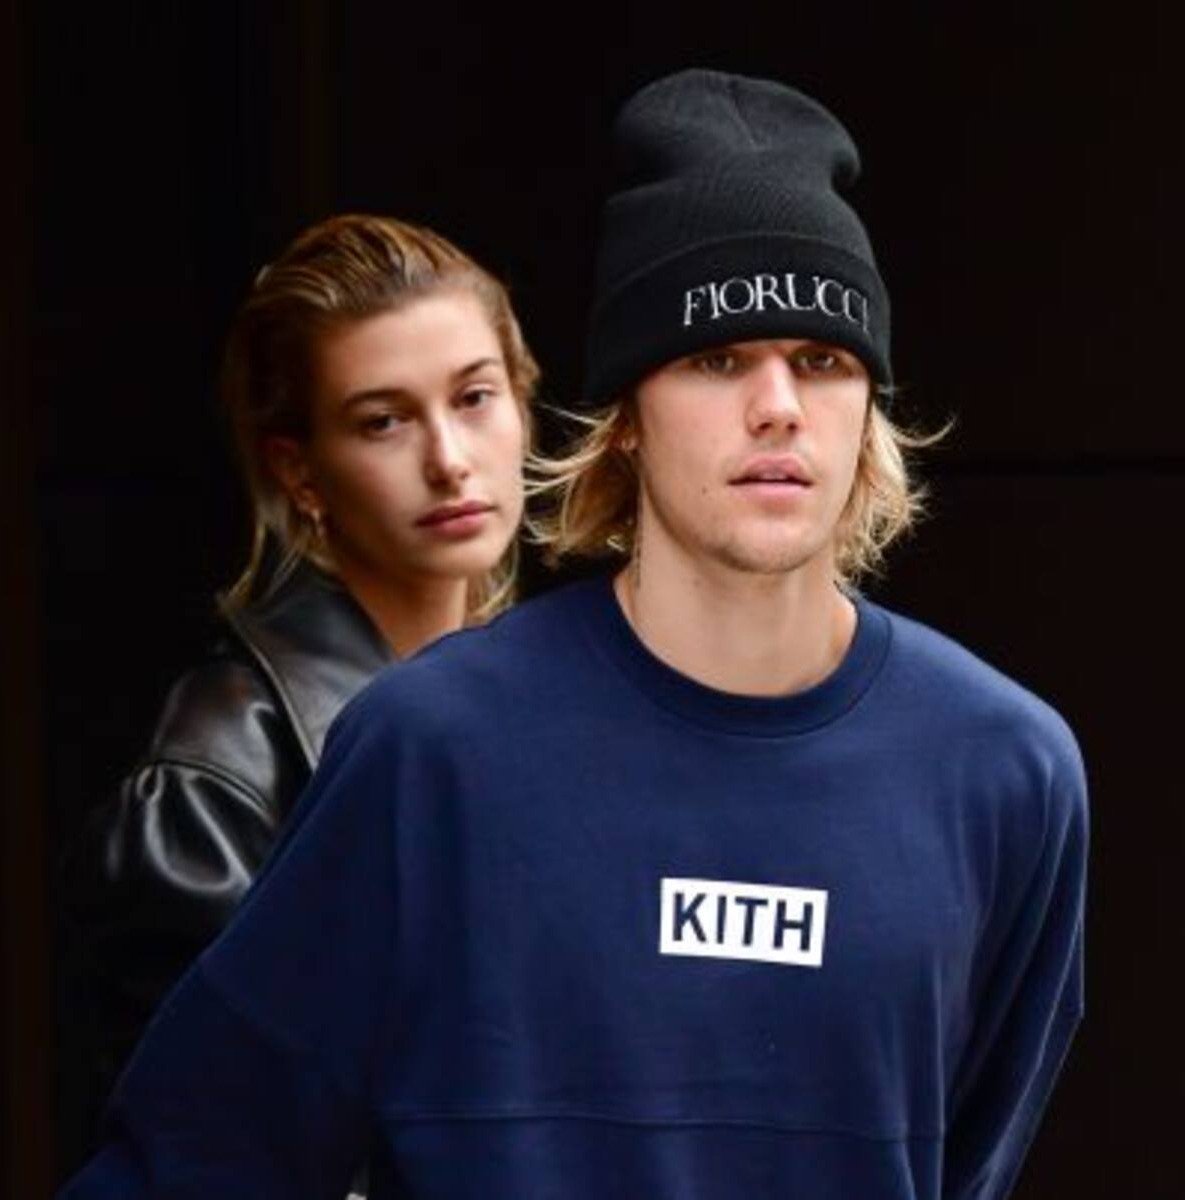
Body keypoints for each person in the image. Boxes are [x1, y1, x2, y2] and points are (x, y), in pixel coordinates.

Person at [61, 71, 1087, 1200]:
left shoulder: (1005, 772)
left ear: (868, 406)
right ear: (626, 417)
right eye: (716, 356)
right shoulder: (432, 750)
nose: (779, 405)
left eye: (824, 358)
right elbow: (197, 1157)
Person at [62, 212, 538, 1109]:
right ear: (300, 473)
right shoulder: (214, 786)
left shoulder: (563, 711)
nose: (449, 461)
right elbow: (208, 1143)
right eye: (383, 421)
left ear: (521, 401)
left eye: (474, 398)